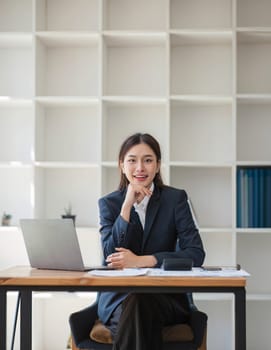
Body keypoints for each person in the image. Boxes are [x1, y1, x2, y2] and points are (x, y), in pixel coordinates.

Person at [97, 132, 205, 350]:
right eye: (132, 160)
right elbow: (110, 256)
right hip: (119, 299)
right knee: (137, 309)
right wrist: (126, 207)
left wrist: (143, 260)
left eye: (148, 160)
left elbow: (195, 253)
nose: (140, 168)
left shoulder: (175, 199)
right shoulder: (109, 203)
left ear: (157, 165)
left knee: (139, 310)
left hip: (165, 297)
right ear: (121, 165)